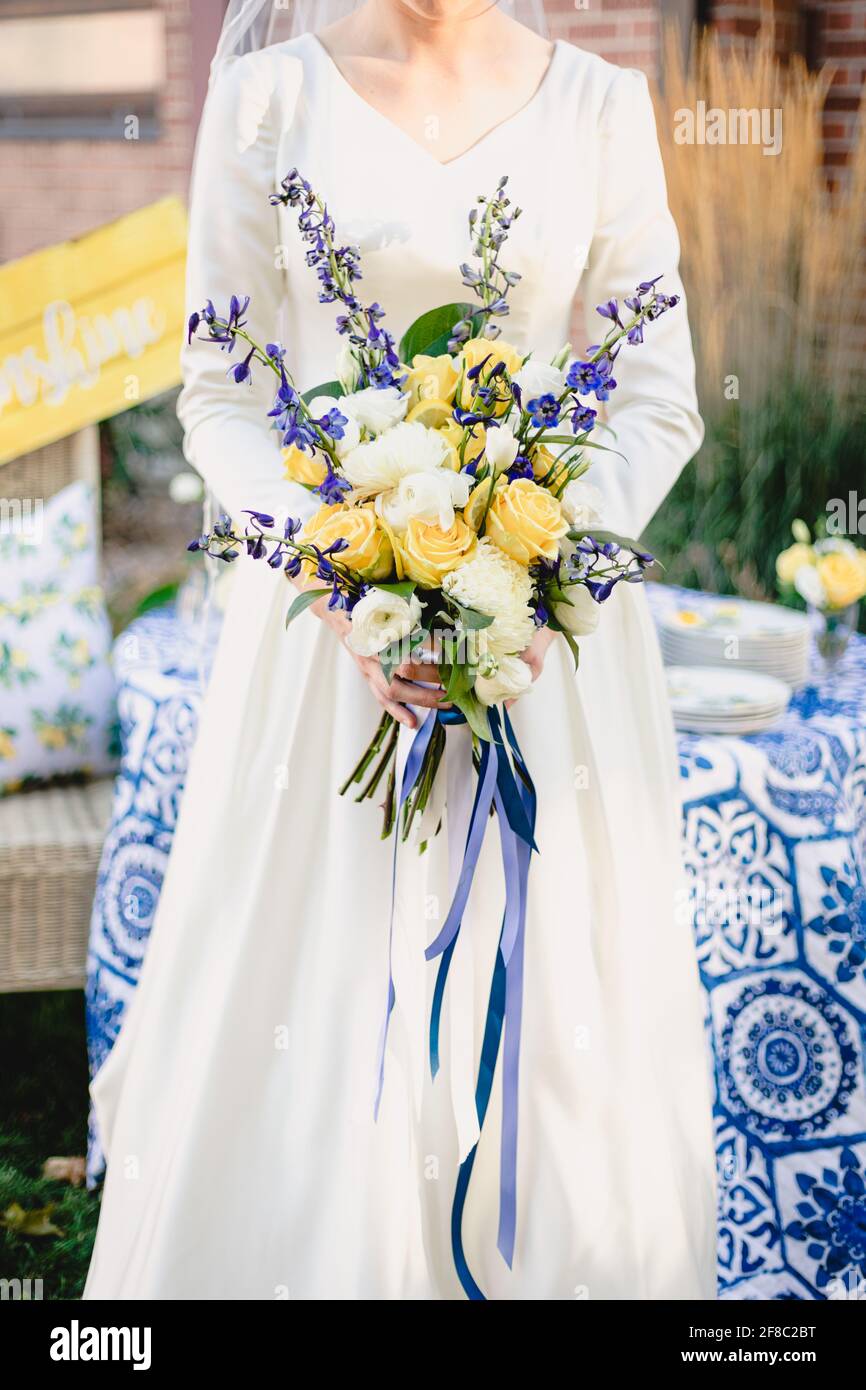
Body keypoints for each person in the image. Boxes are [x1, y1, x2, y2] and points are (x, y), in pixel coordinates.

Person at [84, 0, 716, 1300]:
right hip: (326, 648)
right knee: (305, 1030)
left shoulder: (598, 107)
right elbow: (219, 382)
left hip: (548, 655)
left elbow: (652, 391)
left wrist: (530, 575)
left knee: (555, 1029)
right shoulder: (268, 102)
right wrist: (341, 567)